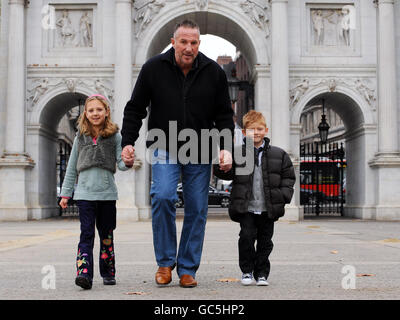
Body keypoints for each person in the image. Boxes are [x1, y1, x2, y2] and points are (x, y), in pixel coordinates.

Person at [120, 19, 234, 288]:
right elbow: (135, 108)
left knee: (197, 207)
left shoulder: (214, 72)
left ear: (199, 44)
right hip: (164, 145)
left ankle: (187, 267)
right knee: (162, 196)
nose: (188, 47)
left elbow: (224, 115)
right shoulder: (152, 69)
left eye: (193, 42)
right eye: (183, 41)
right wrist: (128, 142)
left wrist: (226, 147)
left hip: (201, 147)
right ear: (173, 42)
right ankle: (164, 261)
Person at [214, 110, 295, 286]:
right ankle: (246, 271)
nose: (256, 132)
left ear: (266, 130)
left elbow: (288, 178)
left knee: (266, 242)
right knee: (246, 238)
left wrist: (282, 196)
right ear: (244, 132)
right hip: (247, 207)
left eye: (259, 129)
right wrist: (220, 162)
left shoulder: (279, 154)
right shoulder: (237, 153)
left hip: (268, 207)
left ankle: (262, 273)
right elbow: (225, 174)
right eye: (251, 129)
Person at [59, 94, 130, 290]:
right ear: (85, 113)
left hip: (107, 195)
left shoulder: (115, 136)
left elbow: (121, 164)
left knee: (106, 235)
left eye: (99, 109)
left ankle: (108, 273)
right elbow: (72, 167)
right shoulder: (80, 137)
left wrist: (128, 160)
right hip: (84, 195)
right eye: (91, 110)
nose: (95, 113)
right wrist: (66, 194)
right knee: (86, 234)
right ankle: (84, 274)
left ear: (106, 112)